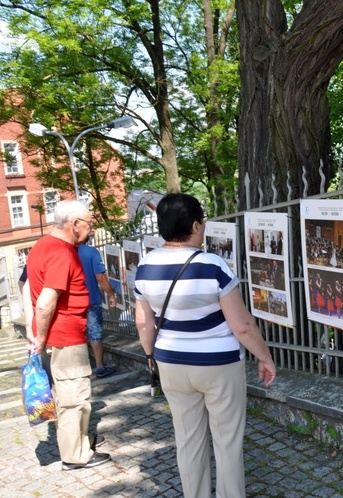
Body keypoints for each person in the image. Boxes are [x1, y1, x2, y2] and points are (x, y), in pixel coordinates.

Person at [134, 193, 276, 498]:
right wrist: (264, 357)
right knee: (227, 441)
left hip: (171, 361)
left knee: (187, 440)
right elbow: (243, 325)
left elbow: (144, 323)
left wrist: (150, 357)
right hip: (218, 364)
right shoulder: (213, 265)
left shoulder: (145, 266)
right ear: (197, 225)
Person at [25, 199, 111, 470]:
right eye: (88, 223)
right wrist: (39, 336)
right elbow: (46, 300)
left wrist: (32, 328)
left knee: (68, 395)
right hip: (66, 337)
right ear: (74, 224)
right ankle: (76, 456)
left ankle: (80, 441)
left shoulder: (41, 245)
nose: (90, 228)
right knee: (74, 398)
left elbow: (28, 288)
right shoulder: (62, 252)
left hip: (58, 336)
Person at [78, 241, 118, 378]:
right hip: (91, 299)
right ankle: (100, 366)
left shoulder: (66, 251)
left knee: (77, 334)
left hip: (73, 302)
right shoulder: (91, 252)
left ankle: (81, 368)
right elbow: (100, 277)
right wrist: (111, 295)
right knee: (95, 333)